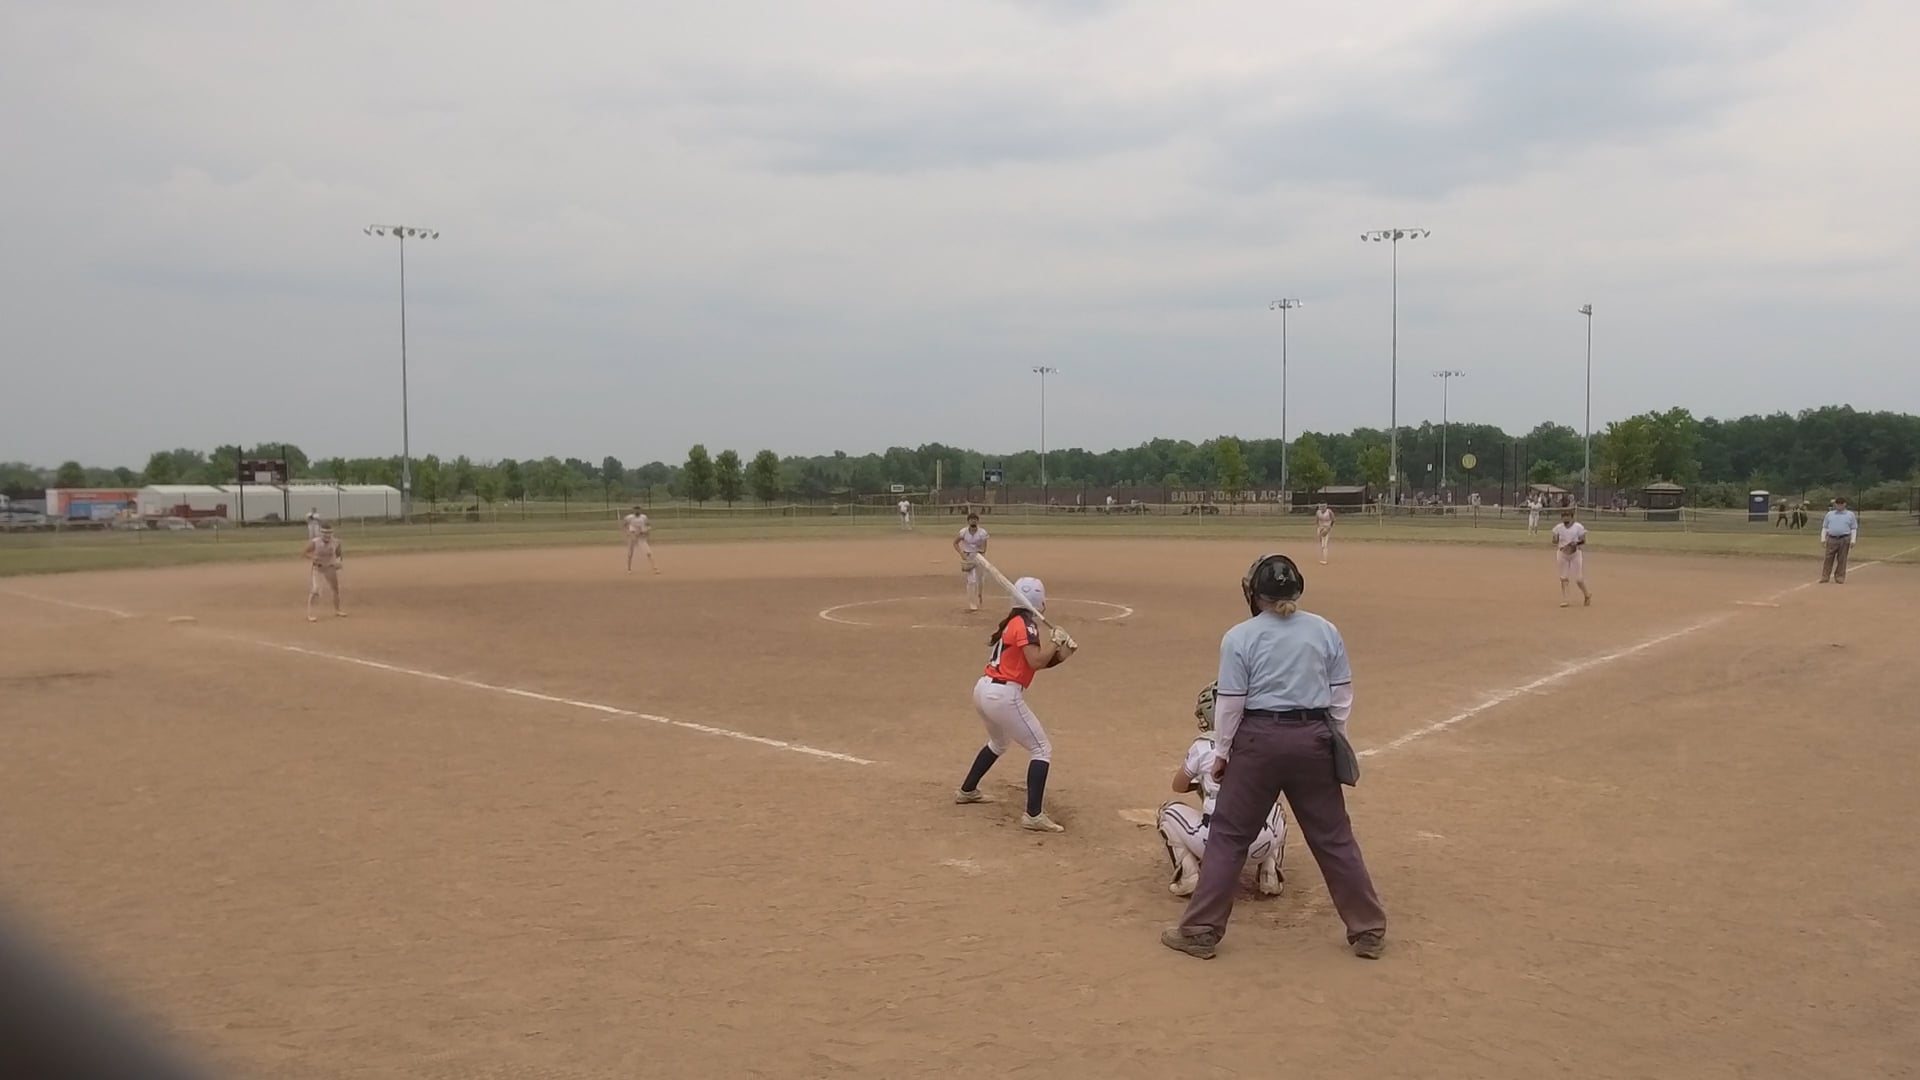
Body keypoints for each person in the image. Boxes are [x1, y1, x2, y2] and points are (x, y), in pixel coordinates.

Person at [1161, 554, 1385, 960]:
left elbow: (1231, 704)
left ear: (1254, 593)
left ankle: (1200, 931)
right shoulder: (1325, 630)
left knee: (1229, 836)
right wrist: (1332, 738)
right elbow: (1340, 695)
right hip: (1313, 737)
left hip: (1258, 740)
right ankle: (1367, 929)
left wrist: (1222, 752)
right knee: (1334, 837)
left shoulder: (1240, 637)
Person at [953, 576, 1072, 832]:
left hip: (985, 689)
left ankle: (967, 790)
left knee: (999, 743)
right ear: (1040, 602)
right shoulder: (1026, 626)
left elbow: (1034, 662)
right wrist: (1055, 641)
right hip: (1003, 695)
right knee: (1041, 749)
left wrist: (1062, 653)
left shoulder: (1015, 622)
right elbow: (1036, 661)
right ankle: (1033, 815)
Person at [1159, 681, 1285, 898]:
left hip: (1213, 845)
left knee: (1166, 813)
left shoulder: (1202, 746)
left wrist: (1205, 785)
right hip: (1260, 844)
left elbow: (1178, 786)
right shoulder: (1261, 741)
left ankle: (1189, 874)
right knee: (1277, 809)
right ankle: (1269, 874)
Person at [302, 522, 346, 622]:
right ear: (321, 533)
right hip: (318, 568)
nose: (327, 535)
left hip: (330, 567)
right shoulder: (315, 542)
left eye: (329, 533)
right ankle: (310, 614)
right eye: (325, 533)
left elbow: (339, 554)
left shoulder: (336, 542)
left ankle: (338, 610)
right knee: (316, 589)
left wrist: (338, 562)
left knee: (335, 589)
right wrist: (312, 558)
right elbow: (304, 553)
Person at [1550, 507, 1592, 608]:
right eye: (1563, 516)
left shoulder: (1578, 527)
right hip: (1562, 554)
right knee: (1563, 577)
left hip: (1575, 554)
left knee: (1579, 579)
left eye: (1567, 516)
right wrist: (1555, 539)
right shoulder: (1558, 528)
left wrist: (1576, 543)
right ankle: (1566, 600)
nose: (1565, 518)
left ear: (1572, 517)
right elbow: (1554, 542)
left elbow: (1583, 540)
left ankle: (1587, 595)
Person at [952, 512, 990, 612]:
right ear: (968, 521)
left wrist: (981, 554)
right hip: (968, 556)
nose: (973, 521)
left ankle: (979, 594)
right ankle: (972, 603)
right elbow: (955, 543)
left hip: (979, 556)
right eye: (971, 519)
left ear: (978, 521)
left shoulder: (982, 532)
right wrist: (961, 554)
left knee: (980, 579)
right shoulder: (963, 532)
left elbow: (984, 546)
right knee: (971, 580)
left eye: (975, 519)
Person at [1819, 496, 1859, 584]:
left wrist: (1853, 540)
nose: (1839, 506)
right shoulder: (1829, 514)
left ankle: (1840, 577)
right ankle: (1825, 576)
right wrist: (1823, 538)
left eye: (1841, 504)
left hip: (1844, 538)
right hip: (1831, 538)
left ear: (1845, 504)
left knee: (1842, 559)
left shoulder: (1850, 515)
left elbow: (1853, 528)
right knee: (1828, 558)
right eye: (1837, 504)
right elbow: (1825, 527)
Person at [622, 506, 658, 575]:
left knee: (648, 552)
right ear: (633, 511)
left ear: (640, 510)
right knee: (630, 553)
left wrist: (646, 531)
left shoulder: (644, 517)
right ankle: (629, 569)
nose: (637, 511)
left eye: (638, 510)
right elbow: (624, 525)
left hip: (641, 537)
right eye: (635, 510)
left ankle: (655, 568)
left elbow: (648, 526)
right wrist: (628, 533)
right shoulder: (629, 517)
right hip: (632, 536)